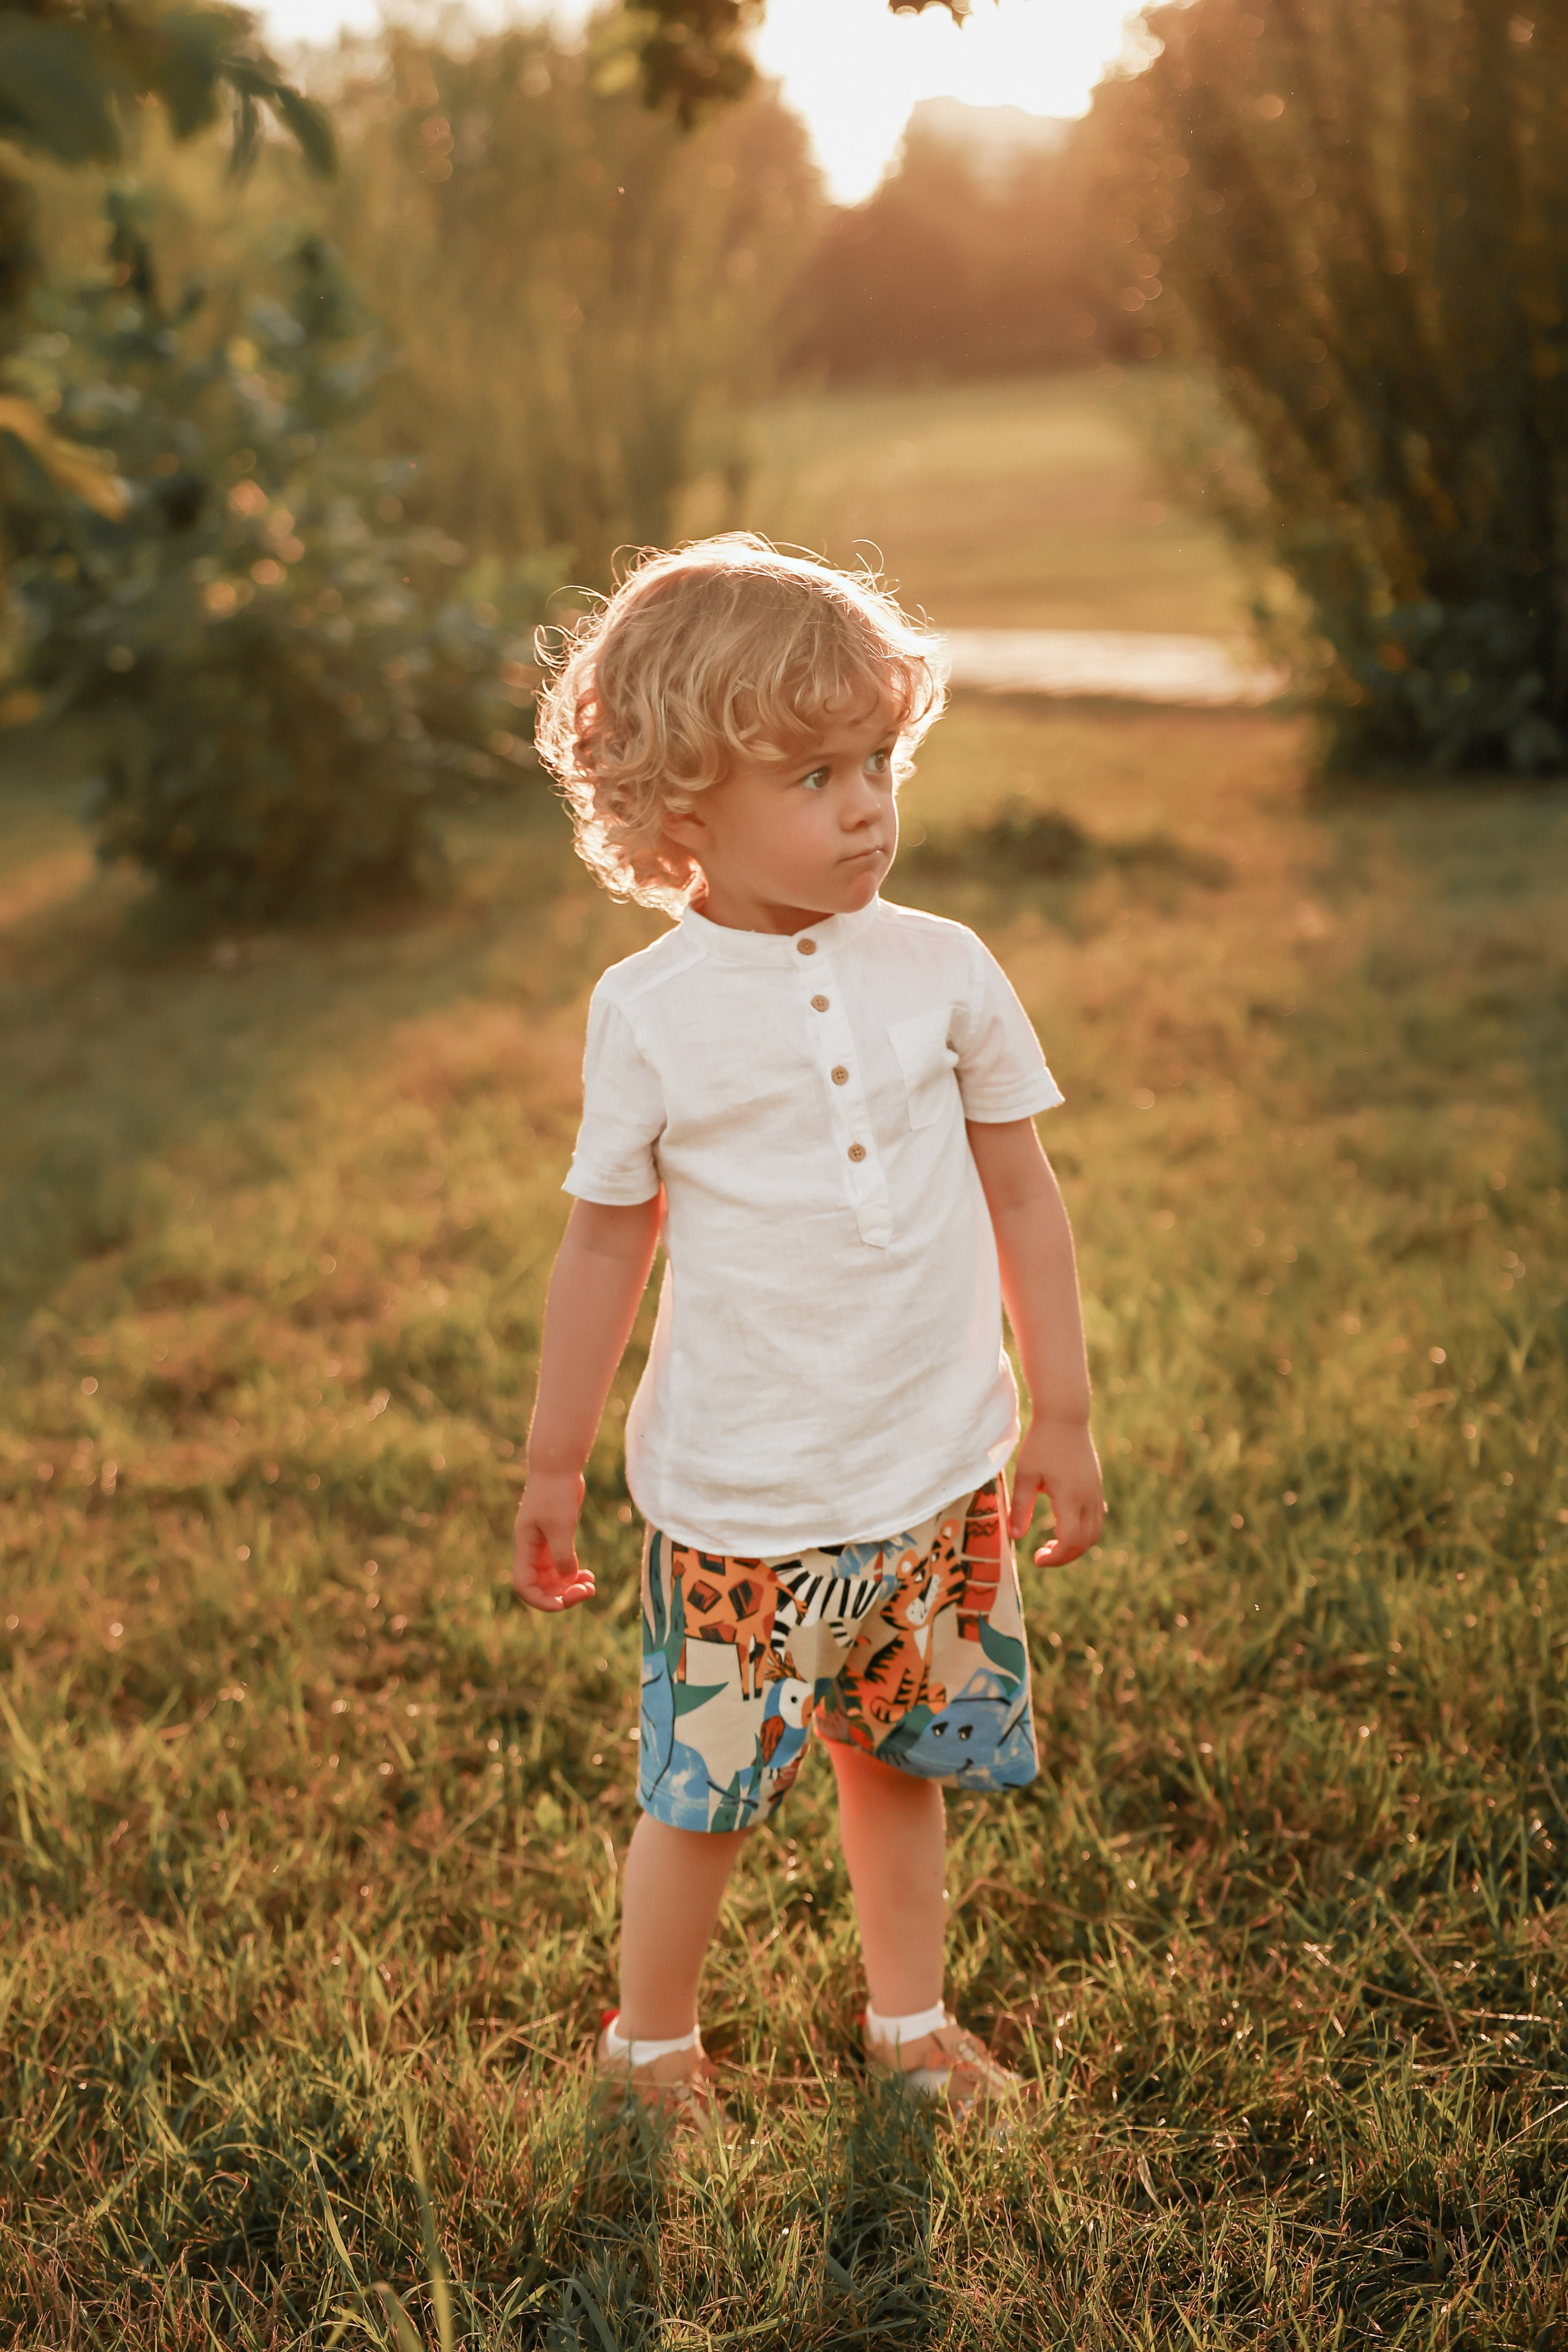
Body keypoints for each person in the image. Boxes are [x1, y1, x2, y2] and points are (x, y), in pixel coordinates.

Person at [513, 534, 1104, 2130]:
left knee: (895, 1758)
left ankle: (909, 2025)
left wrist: (1059, 1416)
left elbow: (1026, 1199)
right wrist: (554, 1460)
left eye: (877, 763)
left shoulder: (944, 972)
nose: (866, 807)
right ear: (683, 809)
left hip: (932, 1468)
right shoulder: (650, 1014)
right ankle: (652, 2053)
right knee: (696, 1795)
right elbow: (602, 1242)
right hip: (739, 1500)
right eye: (816, 774)